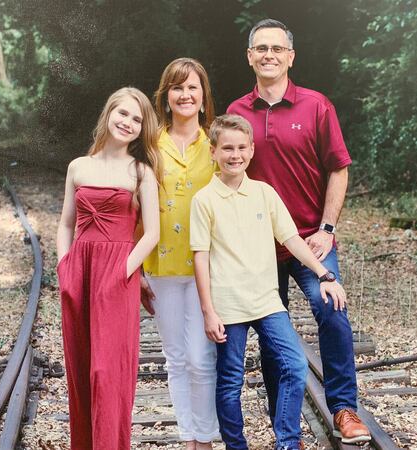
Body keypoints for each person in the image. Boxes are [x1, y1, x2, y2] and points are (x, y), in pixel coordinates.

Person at [227, 18, 371, 444]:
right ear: (249, 56)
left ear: (291, 56)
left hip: (310, 238)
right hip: (258, 247)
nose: (268, 55)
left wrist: (327, 228)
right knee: (273, 336)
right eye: (260, 48)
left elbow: (338, 169)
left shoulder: (316, 105)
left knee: (331, 311)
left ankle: (344, 409)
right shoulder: (236, 113)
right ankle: (283, 425)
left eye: (277, 48)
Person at [190, 114, 347, 450]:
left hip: (266, 301)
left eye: (241, 148)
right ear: (213, 152)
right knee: (230, 380)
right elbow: (200, 257)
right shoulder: (204, 201)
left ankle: (287, 442)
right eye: (227, 148)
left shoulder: (264, 193)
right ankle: (236, 445)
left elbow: (292, 240)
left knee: (294, 364)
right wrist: (208, 311)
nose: (235, 155)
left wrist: (325, 275)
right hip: (228, 306)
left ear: (251, 150)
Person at [56, 87, 162, 450]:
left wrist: (124, 271)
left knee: (107, 372)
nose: (128, 123)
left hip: (118, 275)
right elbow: (66, 224)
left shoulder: (141, 172)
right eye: (123, 114)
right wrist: (64, 265)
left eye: (137, 119)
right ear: (108, 114)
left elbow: (152, 233)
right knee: (82, 371)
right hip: (79, 273)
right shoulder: (78, 167)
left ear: (142, 129)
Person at [140, 58, 219, 449]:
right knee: (175, 359)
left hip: (210, 267)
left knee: (201, 359)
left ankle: (205, 439)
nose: (185, 95)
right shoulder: (150, 146)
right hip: (162, 265)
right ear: (166, 97)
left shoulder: (219, 144)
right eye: (177, 88)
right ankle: (190, 438)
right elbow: (134, 206)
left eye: (192, 87)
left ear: (204, 97)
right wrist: (136, 267)